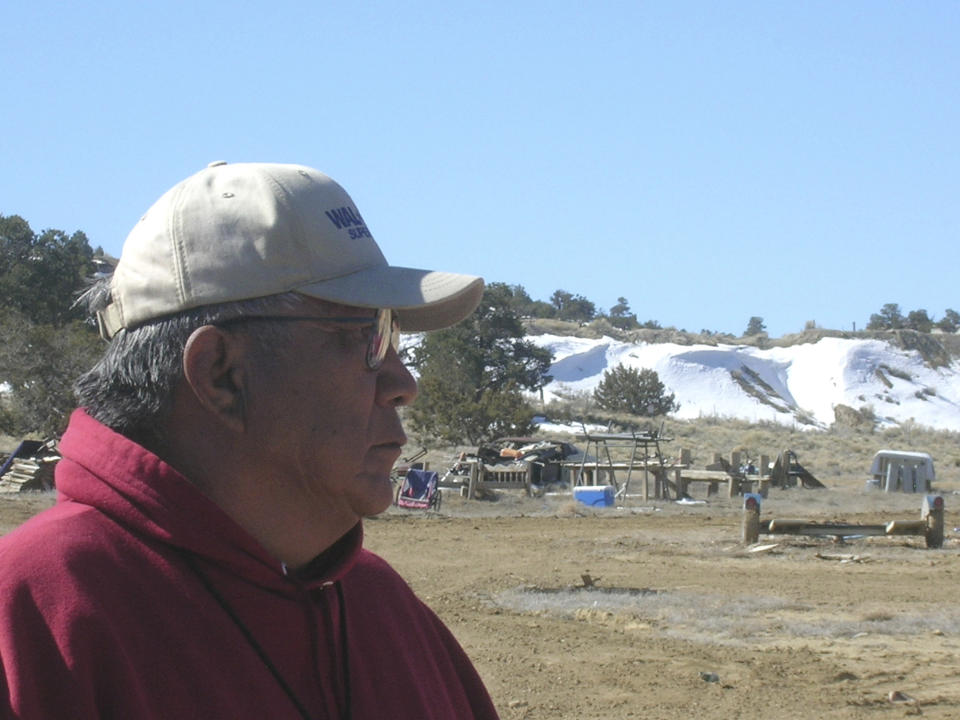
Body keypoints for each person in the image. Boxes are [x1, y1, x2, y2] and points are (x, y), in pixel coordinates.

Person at [0, 161, 500, 719]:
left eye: (395, 336)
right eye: (367, 337)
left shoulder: (380, 607)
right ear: (221, 373)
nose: (403, 384)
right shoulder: (37, 616)